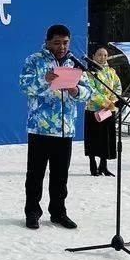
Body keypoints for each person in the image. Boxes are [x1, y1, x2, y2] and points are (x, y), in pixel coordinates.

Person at [18, 24, 91, 230]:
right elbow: (24, 86)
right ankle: (32, 212)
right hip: (40, 129)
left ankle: (58, 213)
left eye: (65, 42)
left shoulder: (74, 63)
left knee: (61, 175)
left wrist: (76, 90)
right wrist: (44, 79)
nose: (61, 46)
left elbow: (88, 92)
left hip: (64, 129)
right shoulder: (34, 60)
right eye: (57, 42)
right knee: (35, 174)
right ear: (48, 41)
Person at [84, 44, 121, 177]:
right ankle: (93, 165)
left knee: (106, 138)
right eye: (99, 54)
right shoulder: (89, 72)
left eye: (105, 55)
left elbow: (117, 86)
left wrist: (112, 100)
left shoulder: (111, 71)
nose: (102, 57)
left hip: (108, 110)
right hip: (93, 109)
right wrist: (105, 102)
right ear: (93, 56)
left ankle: (103, 166)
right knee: (93, 137)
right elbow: (91, 91)